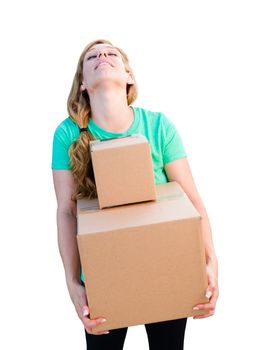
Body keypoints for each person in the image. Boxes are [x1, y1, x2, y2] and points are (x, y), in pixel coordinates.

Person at [51, 39, 219, 350]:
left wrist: (210, 263)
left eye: (111, 53)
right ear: (83, 84)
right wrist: (73, 283)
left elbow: (192, 199)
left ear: (128, 76)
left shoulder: (158, 126)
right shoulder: (68, 134)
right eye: (92, 57)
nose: (102, 55)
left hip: (167, 262)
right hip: (104, 272)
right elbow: (66, 210)